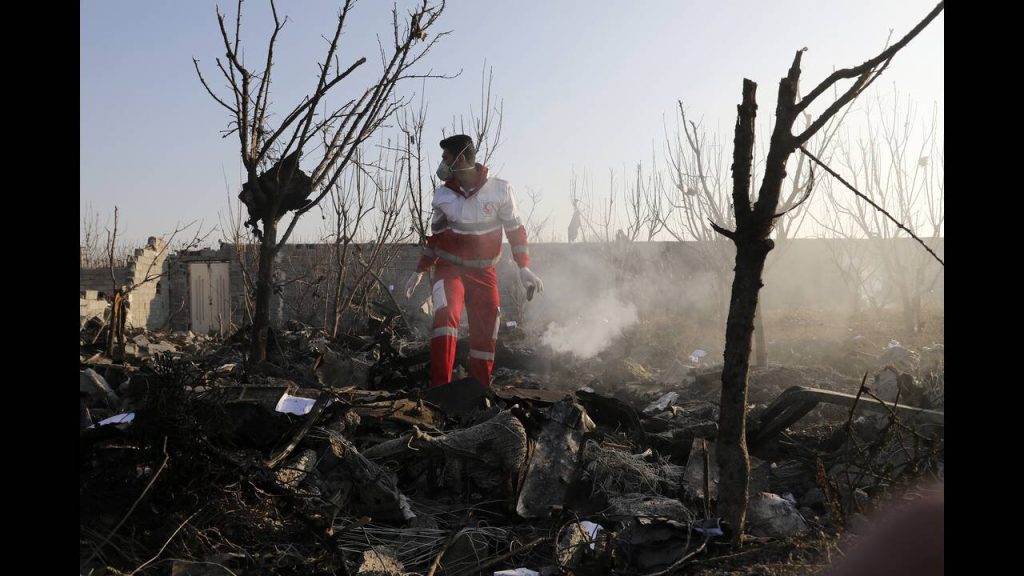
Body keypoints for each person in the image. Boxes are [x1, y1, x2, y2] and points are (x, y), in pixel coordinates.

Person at [405, 134, 543, 387]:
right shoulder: (443, 196)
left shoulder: (500, 190)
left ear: (463, 158)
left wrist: (523, 266)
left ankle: (479, 391)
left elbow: (515, 230)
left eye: (447, 158)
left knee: (487, 327)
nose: (443, 164)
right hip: (450, 270)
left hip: (483, 272)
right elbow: (435, 239)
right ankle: (441, 391)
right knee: (445, 318)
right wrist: (420, 270)